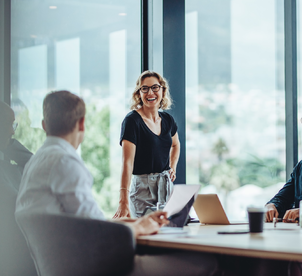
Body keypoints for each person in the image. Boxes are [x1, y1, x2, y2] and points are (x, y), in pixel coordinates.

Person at [16, 91, 219, 276]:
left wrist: (137, 223)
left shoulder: (36, 162)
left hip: (64, 266)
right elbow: (96, 233)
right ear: (81, 124)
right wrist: (139, 228)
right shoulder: (65, 162)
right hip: (98, 267)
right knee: (207, 263)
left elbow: (85, 221)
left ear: (44, 125)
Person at [114, 70, 180, 219]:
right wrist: (123, 200)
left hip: (166, 186)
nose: (150, 92)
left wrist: (173, 166)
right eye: (145, 88)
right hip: (142, 189)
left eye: (155, 87)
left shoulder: (168, 120)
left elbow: (176, 145)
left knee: (168, 234)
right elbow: (127, 163)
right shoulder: (132, 121)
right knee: (145, 236)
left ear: (162, 90)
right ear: (139, 93)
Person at [0, 101, 37, 276]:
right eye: (8, 124)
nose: (12, 131)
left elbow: (36, 166)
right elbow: (18, 204)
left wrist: (9, 144)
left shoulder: (8, 166)